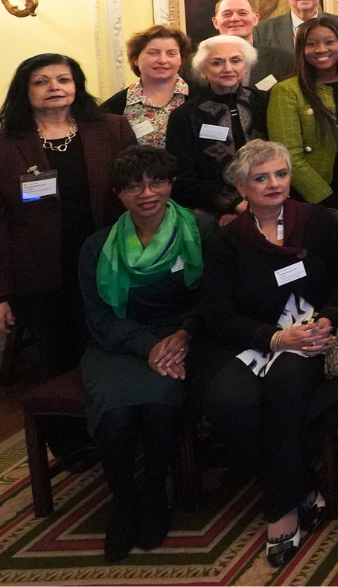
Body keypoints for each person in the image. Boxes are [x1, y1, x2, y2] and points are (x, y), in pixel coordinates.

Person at [199, 140, 338, 567]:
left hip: (313, 334)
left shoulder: (316, 220)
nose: (274, 184)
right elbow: (217, 314)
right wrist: (273, 338)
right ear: (241, 186)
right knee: (224, 401)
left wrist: (329, 315)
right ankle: (301, 484)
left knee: (285, 387)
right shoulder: (228, 240)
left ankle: (280, 510)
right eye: (261, 177)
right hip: (256, 339)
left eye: (281, 174)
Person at [0, 55, 136, 458]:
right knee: (58, 356)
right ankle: (71, 445)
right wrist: (3, 293)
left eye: (63, 78)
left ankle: (120, 431)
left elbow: (137, 189)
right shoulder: (8, 143)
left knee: (110, 349)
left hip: (110, 263)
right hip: (42, 272)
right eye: (41, 81)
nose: (54, 86)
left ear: (77, 84)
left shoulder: (110, 128)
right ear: (25, 92)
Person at [80, 145, 211, 561]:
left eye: (157, 182)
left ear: (171, 184)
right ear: (119, 194)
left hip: (183, 339)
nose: (147, 193)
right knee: (116, 413)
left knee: (157, 406)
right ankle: (123, 500)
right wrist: (148, 345)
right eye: (133, 186)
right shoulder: (96, 246)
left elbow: (216, 299)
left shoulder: (203, 232)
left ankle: (154, 492)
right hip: (118, 344)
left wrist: (186, 333)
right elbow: (100, 320)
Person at [267, 17, 338, 213]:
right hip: (317, 199)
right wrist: (334, 201)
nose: (321, 49)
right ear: (301, 49)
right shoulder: (286, 90)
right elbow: (288, 156)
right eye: (311, 44)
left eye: (329, 42)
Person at [169, 36, 268, 218]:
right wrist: (233, 204)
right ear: (203, 70)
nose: (228, 68)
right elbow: (182, 177)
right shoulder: (185, 115)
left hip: (268, 204)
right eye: (217, 63)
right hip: (212, 214)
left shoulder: (262, 102)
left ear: (246, 67)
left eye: (236, 60)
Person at [102, 25, 192, 147]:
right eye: (153, 53)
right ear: (135, 59)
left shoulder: (201, 97)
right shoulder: (114, 107)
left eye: (171, 53)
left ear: (181, 59)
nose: (162, 60)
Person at [212, 0, 296, 85]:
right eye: (227, 14)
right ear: (216, 22)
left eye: (242, 13)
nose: (235, 18)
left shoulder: (283, 61)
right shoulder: (197, 64)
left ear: (255, 19)